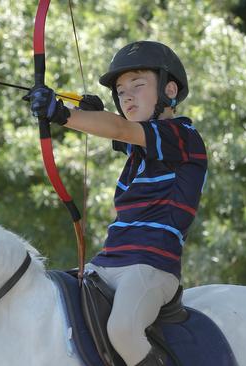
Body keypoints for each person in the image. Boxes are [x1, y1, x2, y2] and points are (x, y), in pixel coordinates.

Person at [29, 41, 208, 366]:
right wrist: (91, 112)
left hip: (151, 266)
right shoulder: (143, 147)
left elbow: (121, 128)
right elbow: (119, 131)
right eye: (121, 91)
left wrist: (62, 113)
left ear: (169, 89)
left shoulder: (183, 136)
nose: (126, 96)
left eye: (138, 86)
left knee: (123, 330)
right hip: (109, 263)